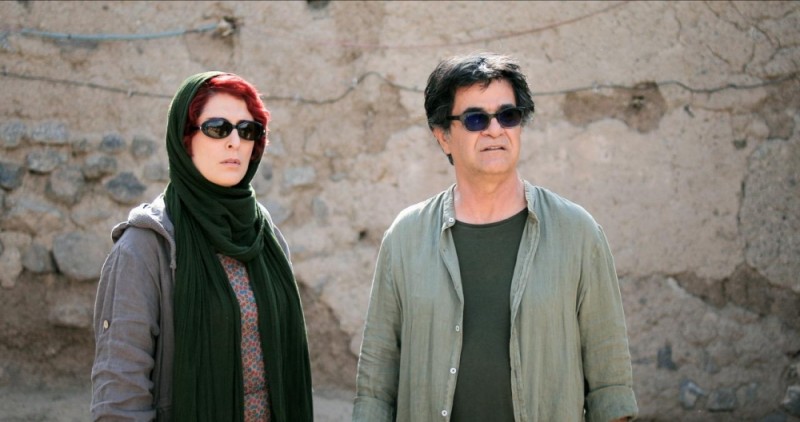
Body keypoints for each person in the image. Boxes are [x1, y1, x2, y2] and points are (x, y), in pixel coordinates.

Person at [352, 53, 638, 421]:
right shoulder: (405, 238)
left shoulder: (578, 233)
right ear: (443, 137)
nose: (494, 130)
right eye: (475, 119)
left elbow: (611, 388)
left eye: (508, 115)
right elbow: (375, 385)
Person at [91, 71, 313, 421]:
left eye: (248, 130)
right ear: (186, 139)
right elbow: (121, 389)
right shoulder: (145, 246)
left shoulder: (264, 235)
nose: (235, 142)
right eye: (217, 128)